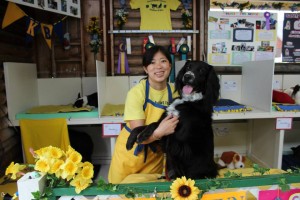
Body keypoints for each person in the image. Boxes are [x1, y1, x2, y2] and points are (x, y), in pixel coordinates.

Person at [108, 45, 179, 184]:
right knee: (121, 194)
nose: (158, 66)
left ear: (170, 66)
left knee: (151, 194)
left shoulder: (175, 92)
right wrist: (160, 133)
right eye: (152, 62)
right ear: (146, 69)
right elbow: (139, 136)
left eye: (163, 61)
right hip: (130, 153)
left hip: (154, 157)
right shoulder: (136, 93)